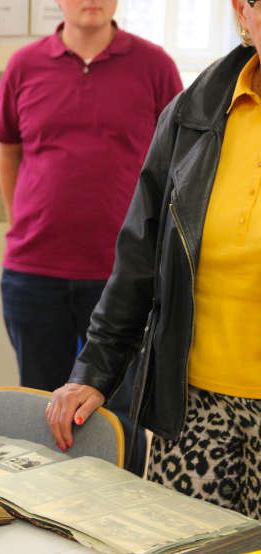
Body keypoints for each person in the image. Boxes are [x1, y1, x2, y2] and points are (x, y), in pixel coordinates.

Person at [47, 0, 261, 520]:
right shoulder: (196, 109)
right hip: (191, 406)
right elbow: (142, 253)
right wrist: (95, 369)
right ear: (243, 11)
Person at [0, 0, 182, 474]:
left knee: (119, 422)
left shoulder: (155, 66)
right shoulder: (23, 65)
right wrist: (22, 221)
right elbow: (8, 150)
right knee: (39, 414)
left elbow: (182, 161)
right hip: (33, 274)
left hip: (124, 282)